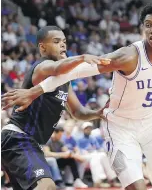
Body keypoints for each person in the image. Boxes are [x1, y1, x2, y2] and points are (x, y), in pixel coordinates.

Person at [4, 1, 152, 190]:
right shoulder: (128, 56)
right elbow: (74, 70)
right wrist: (35, 91)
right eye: (148, 25)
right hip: (121, 129)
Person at [1, 25, 110, 190]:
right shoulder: (42, 67)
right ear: (42, 47)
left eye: (64, 42)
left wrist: (98, 114)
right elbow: (58, 67)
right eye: (57, 41)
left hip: (32, 143)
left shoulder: (64, 81)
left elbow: (77, 111)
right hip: (19, 138)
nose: (63, 45)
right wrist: (81, 58)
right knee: (47, 187)